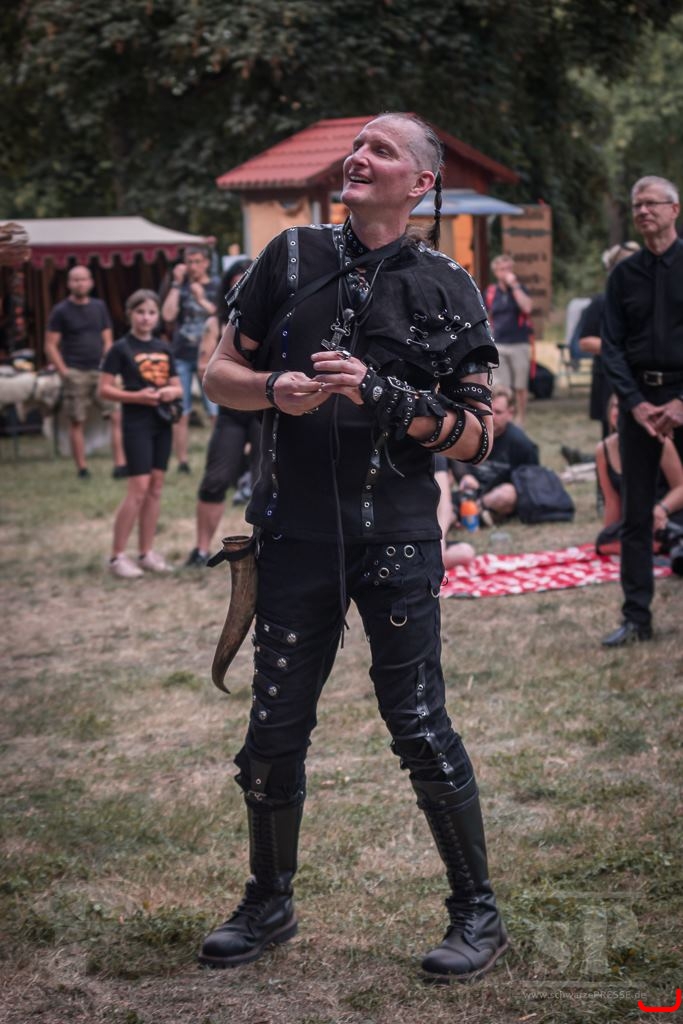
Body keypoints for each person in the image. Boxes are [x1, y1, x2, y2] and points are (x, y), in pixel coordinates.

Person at [199, 112, 507, 981]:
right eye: (357, 144)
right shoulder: (289, 256)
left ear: (421, 183)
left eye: (380, 149)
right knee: (272, 728)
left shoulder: (448, 283)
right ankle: (268, 901)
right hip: (292, 532)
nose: (357, 156)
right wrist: (273, 387)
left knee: (418, 725)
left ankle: (477, 914)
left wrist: (381, 393)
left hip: (397, 538)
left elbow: (479, 435)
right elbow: (218, 374)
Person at [601, 175, 683, 646]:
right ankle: (637, 618)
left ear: (675, 209)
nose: (643, 211)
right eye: (637, 205)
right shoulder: (623, 276)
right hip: (640, 405)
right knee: (635, 515)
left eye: (652, 203)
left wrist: (681, 402)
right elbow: (611, 347)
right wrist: (634, 403)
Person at [98, 290, 182, 579]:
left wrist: (170, 391)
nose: (146, 318)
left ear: (158, 316)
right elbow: (104, 389)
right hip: (136, 422)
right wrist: (137, 397)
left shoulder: (164, 347)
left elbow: (178, 387)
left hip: (162, 422)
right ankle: (117, 556)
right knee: (138, 488)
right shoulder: (120, 348)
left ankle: (146, 552)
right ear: (130, 314)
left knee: (156, 486)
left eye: (151, 313)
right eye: (140, 312)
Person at [185, 259, 260, 568]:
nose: (240, 288)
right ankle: (201, 550)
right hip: (231, 412)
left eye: (247, 282)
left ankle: (267, 552)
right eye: (235, 283)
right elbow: (204, 367)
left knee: (266, 483)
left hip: (264, 411)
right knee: (215, 481)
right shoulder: (215, 324)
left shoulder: (272, 318)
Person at [44, 264, 126, 479]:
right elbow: (50, 345)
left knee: (116, 415)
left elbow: (107, 339)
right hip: (75, 372)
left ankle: (120, 464)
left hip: (100, 371)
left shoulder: (99, 307)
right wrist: (64, 372)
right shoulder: (61, 311)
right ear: (69, 283)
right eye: (75, 279)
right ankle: (82, 468)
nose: (80, 283)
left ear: (91, 282)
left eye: (83, 279)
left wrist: (108, 365)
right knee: (77, 420)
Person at [595, 394, 683, 553]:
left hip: (667, 513)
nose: (620, 412)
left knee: (660, 531)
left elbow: (681, 488)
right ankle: (657, 548)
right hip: (636, 519)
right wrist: (611, 534)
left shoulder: (659, 440)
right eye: (616, 406)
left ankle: (662, 546)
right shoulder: (603, 449)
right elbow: (612, 501)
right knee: (603, 542)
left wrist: (661, 509)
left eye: (625, 407)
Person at [161, 245, 220, 473]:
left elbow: (222, 316)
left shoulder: (217, 285)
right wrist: (176, 284)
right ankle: (182, 462)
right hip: (182, 355)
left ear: (206, 263)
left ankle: (217, 459)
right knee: (181, 410)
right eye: (189, 262)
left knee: (215, 411)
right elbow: (167, 315)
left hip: (209, 357)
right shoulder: (180, 287)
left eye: (197, 262)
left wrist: (201, 299)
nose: (193, 267)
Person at [576, 242, 641, 440]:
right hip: (609, 377)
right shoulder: (601, 303)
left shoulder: (649, 301)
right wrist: (622, 349)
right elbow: (585, 341)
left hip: (642, 378)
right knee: (612, 432)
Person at [452, 385, 539, 522]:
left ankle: (469, 513)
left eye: (498, 412)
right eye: (487, 411)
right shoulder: (471, 433)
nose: (491, 417)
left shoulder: (521, 443)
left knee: (507, 494)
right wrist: (465, 476)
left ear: (510, 413)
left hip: (498, 498)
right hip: (470, 492)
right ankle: (467, 514)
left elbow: (531, 480)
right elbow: (454, 458)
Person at [485, 254, 533, 425]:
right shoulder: (491, 292)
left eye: (508, 269)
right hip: (499, 344)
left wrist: (515, 286)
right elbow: (487, 315)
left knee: (520, 386)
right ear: (496, 272)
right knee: (501, 387)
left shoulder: (520, 289)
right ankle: (505, 419)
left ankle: (520, 420)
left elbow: (527, 308)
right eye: (502, 269)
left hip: (519, 343)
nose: (506, 272)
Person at [434, 454, 475, 569]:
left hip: (425, 533)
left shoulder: (435, 455)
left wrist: (440, 539)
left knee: (465, 552)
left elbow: (444, 505)